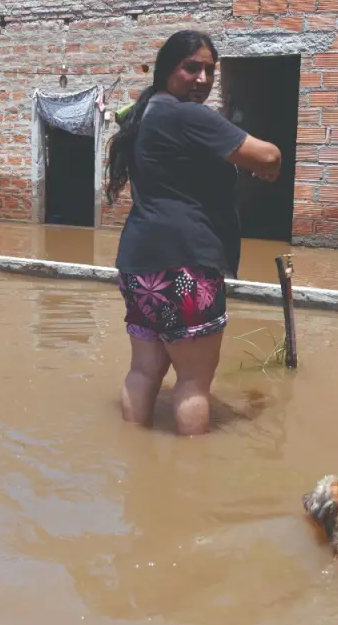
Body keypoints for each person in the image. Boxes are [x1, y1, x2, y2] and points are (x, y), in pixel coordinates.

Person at [105, 30, 282, 437]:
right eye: (192, 67)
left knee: (143, 371)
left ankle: (136, 458)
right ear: (168, 68)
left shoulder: (143, 113)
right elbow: (269, 155)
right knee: (193, 382)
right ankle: (189, 482)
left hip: (139, 265)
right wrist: (265, 168)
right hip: (185, 264)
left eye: (209, 70)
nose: (202, 78)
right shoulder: (188, 115)